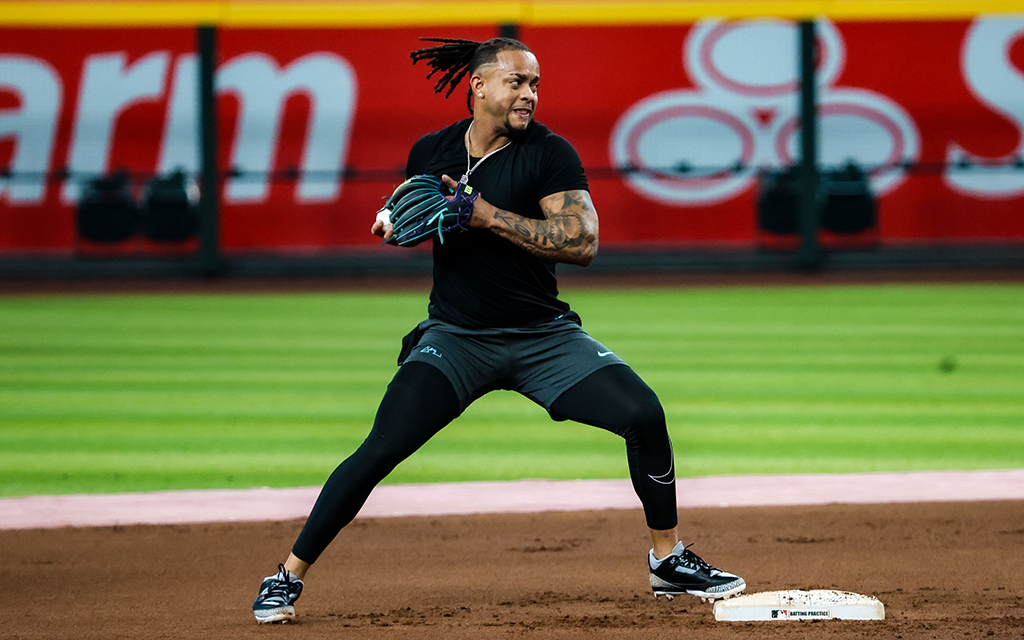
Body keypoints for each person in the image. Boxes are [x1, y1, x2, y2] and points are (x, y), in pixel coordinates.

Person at [252, 36, 745, 624]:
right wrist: (394, 220)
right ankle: (287, 574)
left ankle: (667, 559)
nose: (529, 95)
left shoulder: (548, 153)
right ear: (478, 86)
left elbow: (581, 242)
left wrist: (486, 214)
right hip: (458, 339)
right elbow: (416, 211)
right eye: (517, 82)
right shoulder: (431, 151)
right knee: (381, 448)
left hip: (544, 338)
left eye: (535, 84)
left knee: (643, 412)